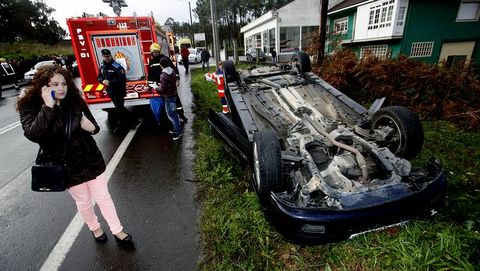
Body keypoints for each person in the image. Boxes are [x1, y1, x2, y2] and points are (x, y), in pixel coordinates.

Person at [17, 65, 134, 248]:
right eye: (55, 84)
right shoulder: (30, 106)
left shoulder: (74, 101)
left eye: (64, 83)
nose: (61, 88)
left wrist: (91, 127)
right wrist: (48, 107)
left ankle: (117, 229)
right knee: (84, 201)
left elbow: (94, 127)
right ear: (43, 86)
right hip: (65, 164)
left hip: (90, 158)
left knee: (103, 196)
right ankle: (95, 228)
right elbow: (33, 134)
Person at [97, 49, 138, 135]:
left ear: (110, 55)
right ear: (103, 57)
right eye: (105, 57)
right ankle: (134, 120)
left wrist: (111, 82)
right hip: (110, 91)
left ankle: (121, 127)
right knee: (120, 108)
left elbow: (122, 78)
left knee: (119, 109)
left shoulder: (117, 66)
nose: (107, 58)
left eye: (108, 56)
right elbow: (99, 77)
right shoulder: (101, 66)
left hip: (119, 90)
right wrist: (102, 81)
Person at [147, 43, 187, 122]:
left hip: (170, 84)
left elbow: (174, 69)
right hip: (160, 85)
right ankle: (169, 118)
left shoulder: (165, 59)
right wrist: (150, 85)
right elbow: (150, 75)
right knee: (165, 102)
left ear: (159, 51)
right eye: (154, 52)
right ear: (151, 52)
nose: (155, 53)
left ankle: (181, 115)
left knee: (176, 101)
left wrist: (177, 79)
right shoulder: (151, 62)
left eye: (156, 51)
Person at [151, 57, 182, 140]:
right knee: (173, 113)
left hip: (168, 97)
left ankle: (178, 132)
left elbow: (162, 89)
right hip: (173, 95)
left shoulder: (163, 75)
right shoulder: (172, 71)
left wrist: (155, 88)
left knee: (172, 114)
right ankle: (177, 129)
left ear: (161, 65)